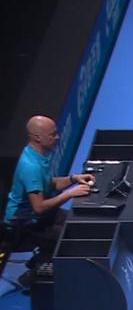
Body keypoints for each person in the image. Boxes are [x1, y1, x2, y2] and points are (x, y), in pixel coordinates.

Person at [4, 116, 93, 286]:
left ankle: (40, 258)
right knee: (67, 238)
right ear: (37, 137)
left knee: (76, 223)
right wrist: (69, 194)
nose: (57, 137)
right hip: (23, 223)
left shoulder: (37, 155)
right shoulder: (31, 166)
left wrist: (73, 178)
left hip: (37, 216)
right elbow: (38, 207)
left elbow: (49, 183)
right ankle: (36, 272)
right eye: (52, 134)